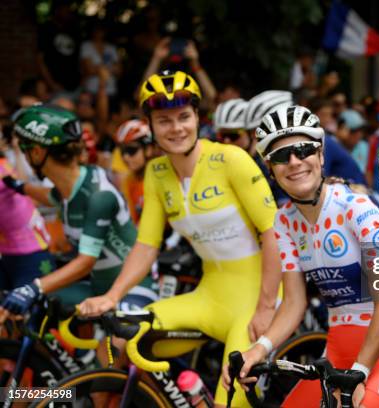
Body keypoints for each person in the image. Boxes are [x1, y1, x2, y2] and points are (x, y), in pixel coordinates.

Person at [78, 71, 281, 407]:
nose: (176, 128)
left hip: (255, 296)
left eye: (184, 117)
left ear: (198, 117)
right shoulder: (156, 174)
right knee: (117, 341)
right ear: (151, 126)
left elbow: (273, 233)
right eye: (164, 120)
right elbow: (146, 245)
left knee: (229, 400)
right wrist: (112, 296)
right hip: (209, 296)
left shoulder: (230, 159)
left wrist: (266, 305)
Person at [222, 105, 379, 407]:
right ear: (270, 168)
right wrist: (257, 350)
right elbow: (293, 303)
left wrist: (361, 370)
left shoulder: (358, 209)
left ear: (320, 156)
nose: (293, 162)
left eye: (303, 150)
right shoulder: (284, 221)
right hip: (336, 351)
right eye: (281, 156)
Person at [0, 105, 157, 323]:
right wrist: (17, 185)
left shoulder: (98, 196)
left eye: (25, 148)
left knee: (112, 350)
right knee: (27, 314)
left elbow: (86, 262)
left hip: (134, 288)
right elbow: (50, 196)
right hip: (99, 287)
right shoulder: (74, 182)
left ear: (37, 152)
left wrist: (32, 288)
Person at [0, 157, 54, 291]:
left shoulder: (3, 162)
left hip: (32, 251)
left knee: (30, 307)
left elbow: (25, 190)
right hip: (8, 252)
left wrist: (16, 148)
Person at [114, 119, 157, 224]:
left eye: (131, 150)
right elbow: (132, 220)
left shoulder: (161, 177)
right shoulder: (128, 181)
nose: (125, 157)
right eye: (123, 151)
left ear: (148, 149)